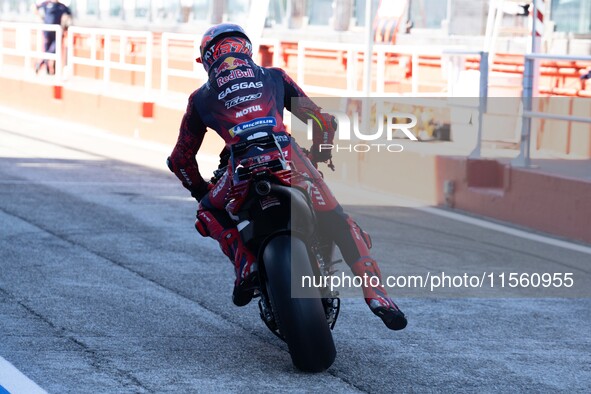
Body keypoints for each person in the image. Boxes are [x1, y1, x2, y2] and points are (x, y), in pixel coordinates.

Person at [167, 23, 407, 331]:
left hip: (240, 168)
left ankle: (245, 265)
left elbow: (180, 160)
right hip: (288, 158)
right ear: (247, 50)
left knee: (208, 211)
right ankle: (377, 296)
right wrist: (319, 157)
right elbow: (322, 122)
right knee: (338, 219)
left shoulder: (200, 98)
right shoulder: (274, 76)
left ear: (207, 59)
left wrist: (201, 191)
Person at [34, 0, 72, 75]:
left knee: (54, 49)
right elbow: (35, 7)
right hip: (47, 31)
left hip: (57, 32)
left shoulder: (62, 6)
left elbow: (69, 14)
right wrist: (41, 18)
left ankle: (41, 63)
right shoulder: (46, 4)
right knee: (47, 49)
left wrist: (66, 25)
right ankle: (48, 69)